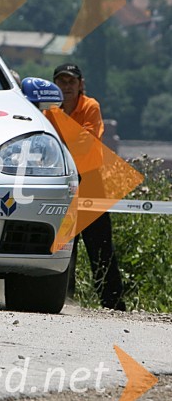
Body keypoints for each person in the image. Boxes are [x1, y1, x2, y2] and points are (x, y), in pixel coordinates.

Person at [51, 63, 126, 310]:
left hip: (91, 181)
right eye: (62, 81)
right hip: (63, 181)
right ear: (54, 84)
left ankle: (113, 304)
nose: (67, 86)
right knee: (64, 246)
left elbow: (85, 143)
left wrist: (58, 143)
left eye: (71, 81)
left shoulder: (90, 106)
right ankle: (62, 300)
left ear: (81, 84)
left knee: (101, 247)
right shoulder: (47, 110)